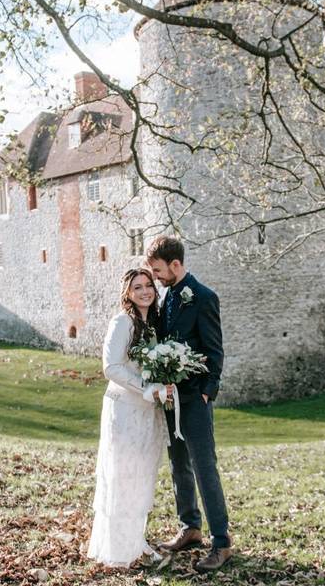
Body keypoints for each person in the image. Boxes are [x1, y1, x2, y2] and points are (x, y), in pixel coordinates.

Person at [145, 236, 233, 573]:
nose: (155, 277)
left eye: (158, 270)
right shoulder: (166, 297)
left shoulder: (205, 297)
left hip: (196, 399)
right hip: (170, 399)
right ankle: (190, 527)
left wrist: (208, 392)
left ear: (176, 265)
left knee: (204, 467)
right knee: (178, 463)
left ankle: (221, 543)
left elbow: (215, 351)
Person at [87, 268, 173, 567]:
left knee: (141, 478)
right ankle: (122, 548)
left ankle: (136, 540)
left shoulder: (154, 324)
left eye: (149, 285)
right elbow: (110, 367)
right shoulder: (122, 321)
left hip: (148, 411)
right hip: (124, 409)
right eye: (138, 287)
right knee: (123, 477)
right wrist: (147, 388)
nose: (145, 291)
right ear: (128, 292)